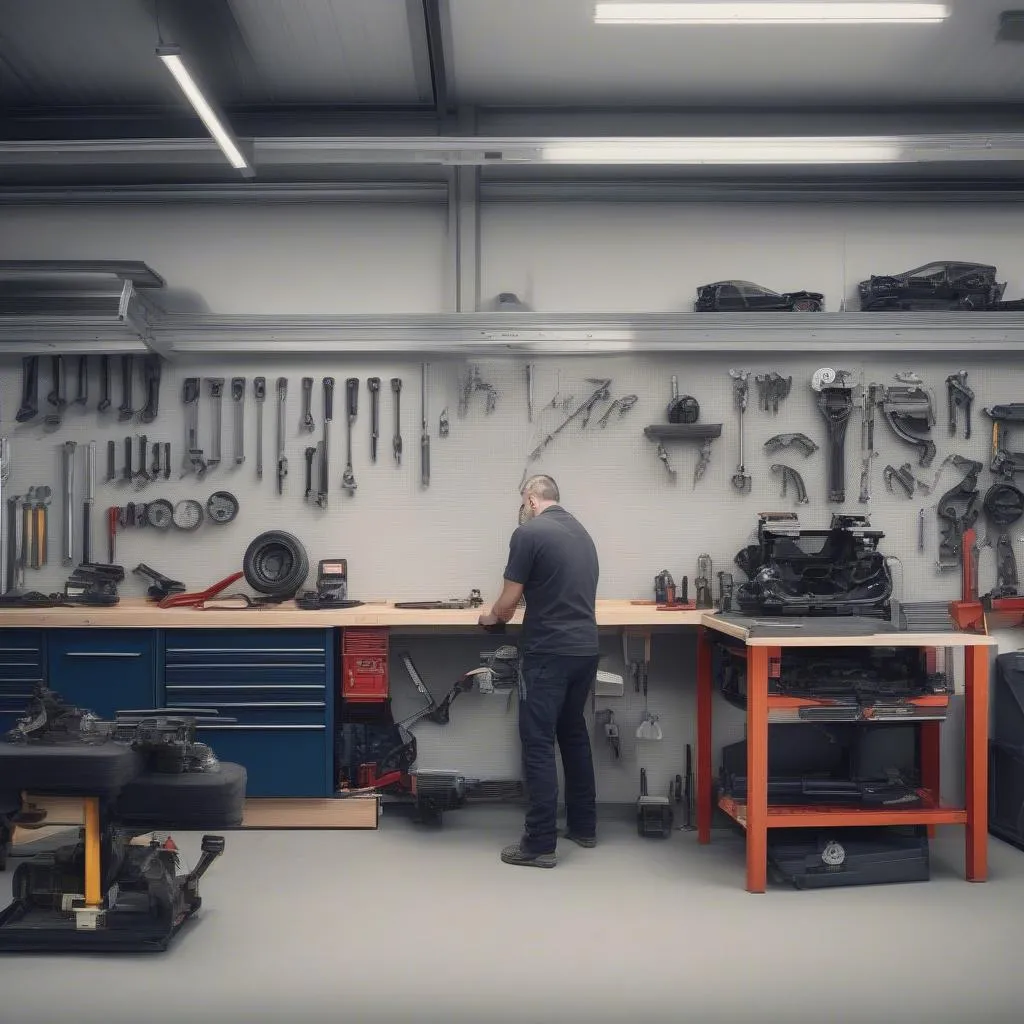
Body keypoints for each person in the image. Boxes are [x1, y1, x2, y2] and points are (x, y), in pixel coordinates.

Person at [478, 474, 600, 868]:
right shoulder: (581, 532)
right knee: (573, 734)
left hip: (548, 651)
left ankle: (539, 844)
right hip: (585, 649)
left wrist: (490, 616)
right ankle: (583, 826)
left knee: (538, 743)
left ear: (531, 499)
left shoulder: (528, 534)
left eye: (522, 501)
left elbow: (509, 602)